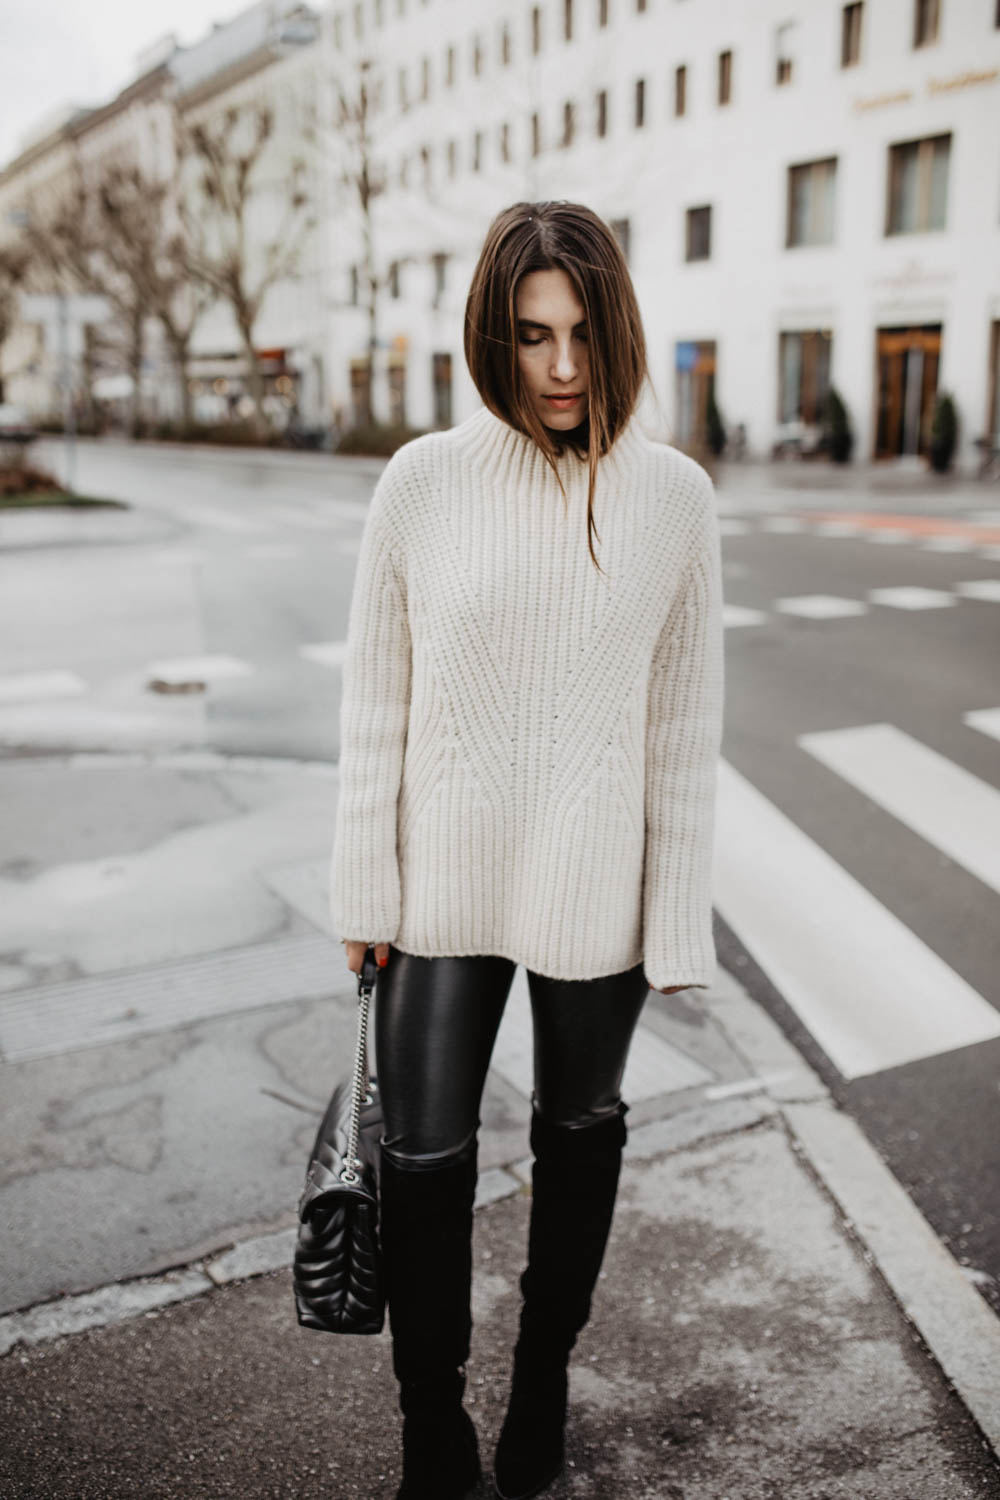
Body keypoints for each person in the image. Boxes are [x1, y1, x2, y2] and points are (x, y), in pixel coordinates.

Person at [330, 200, 725, 1500]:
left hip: (592, 889)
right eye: (531, 336)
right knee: (424, 1163)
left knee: (581, 1141)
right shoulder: (422, 481)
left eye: (582, 335)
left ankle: (544, 1375)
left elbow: (680, 727)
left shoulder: (673, 499)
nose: (561, 368)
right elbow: (375, 703)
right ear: (491, 339)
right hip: (442, 884)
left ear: (617, 332)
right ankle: (428, 1418)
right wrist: (362, 888)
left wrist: (675, 924)